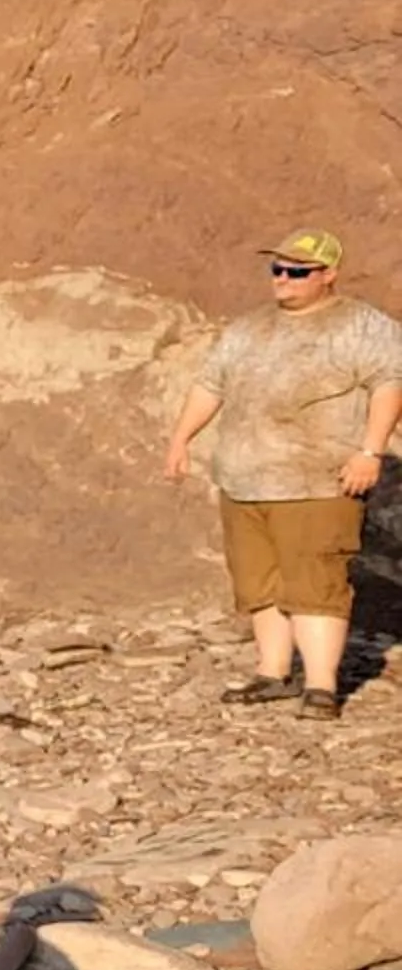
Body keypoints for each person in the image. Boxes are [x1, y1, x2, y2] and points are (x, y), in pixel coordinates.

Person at [163, 227, 402, 720]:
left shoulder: (361, 325)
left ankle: (320, 687)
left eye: (298, 271)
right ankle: (272, 673)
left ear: (329, 275)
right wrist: (181, 438)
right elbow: (211, 385)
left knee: (316, 583)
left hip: (316, 481)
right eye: (278, 269)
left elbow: (389, 385)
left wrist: (370, 452)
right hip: (245, 480)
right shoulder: (249, 329)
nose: (283, 279)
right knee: (259, 584)